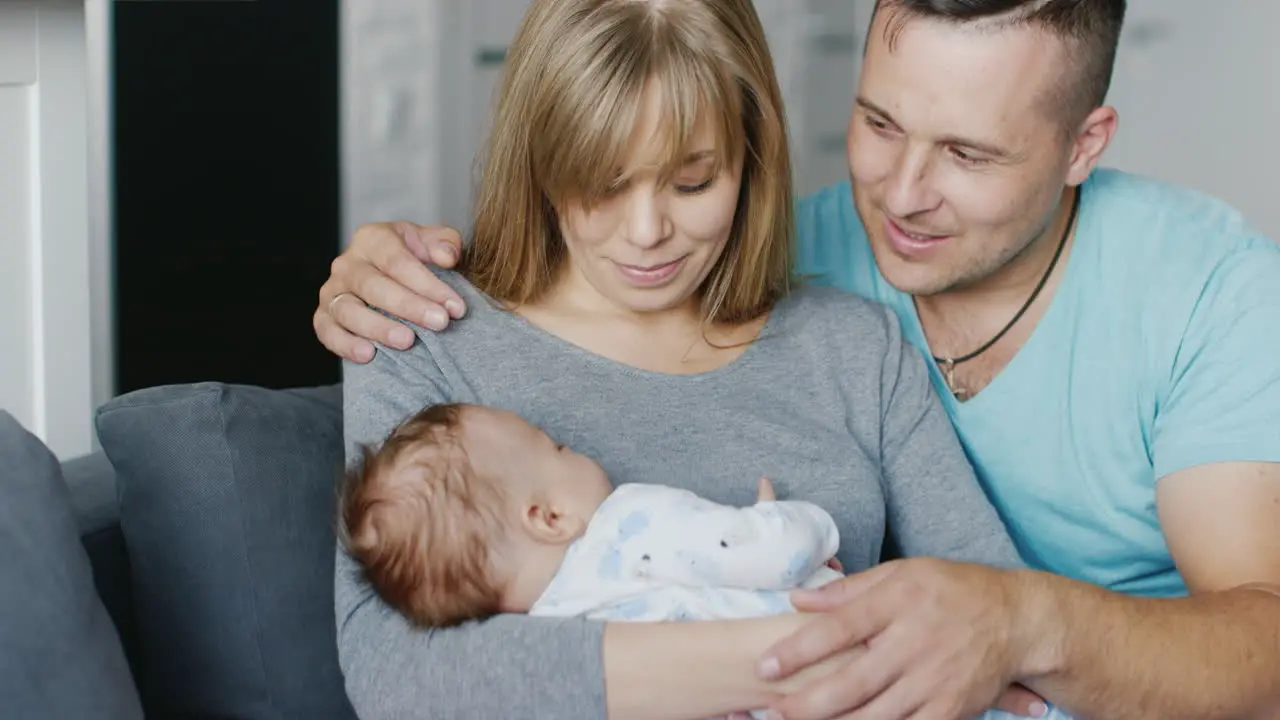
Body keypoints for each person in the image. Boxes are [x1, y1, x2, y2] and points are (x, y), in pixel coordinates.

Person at [316, 0, 1280, 718]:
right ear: (541, 159)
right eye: (603, 183)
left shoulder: (849, 335)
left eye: (695, 181)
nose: (648, 232)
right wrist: (800, 649)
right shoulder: (418, 324)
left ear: (752, 157)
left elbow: (989, 611)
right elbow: (402, 679)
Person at [338, 402, 846, 629]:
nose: (572, 449)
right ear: (550, 517)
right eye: (557, 448)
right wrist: (797, 523)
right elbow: (774, 554)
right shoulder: (628, 526)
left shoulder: (556, 630)